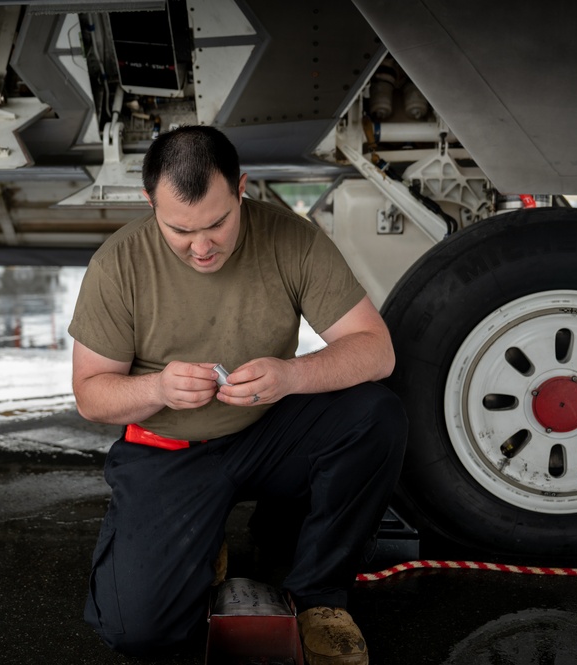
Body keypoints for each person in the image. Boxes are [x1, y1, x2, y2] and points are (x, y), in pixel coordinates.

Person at [68, 125, 407, 664]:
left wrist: (291, 375)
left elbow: (376, 350)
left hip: (266, 432)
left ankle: (319, 595)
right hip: (169, 454)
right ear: (149, 201)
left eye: (218, 224)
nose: (201, 247)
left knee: (376, 415)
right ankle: (202, 539)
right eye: (179, 229)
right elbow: (91, 396)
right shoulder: (119, 264)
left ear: (242, 188)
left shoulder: (289, 238)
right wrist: (158, 387)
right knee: (139, 632)